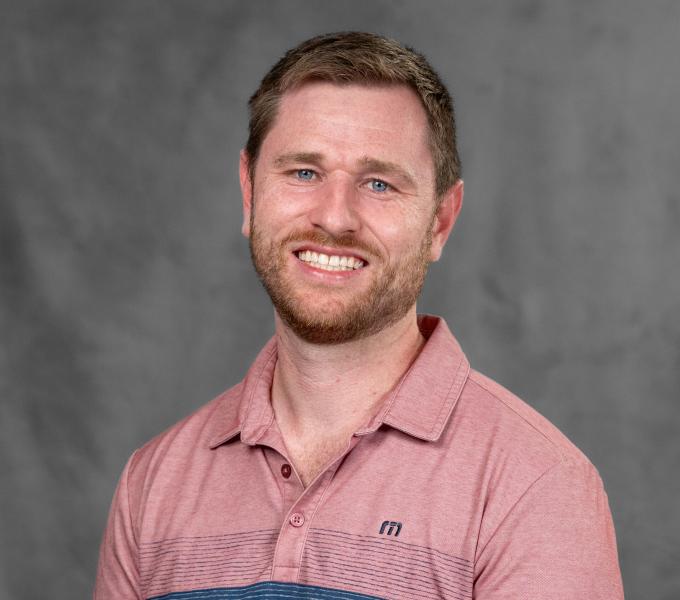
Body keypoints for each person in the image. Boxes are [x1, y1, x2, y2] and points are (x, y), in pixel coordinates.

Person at [94, 32, 624, 599]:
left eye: (379, 183)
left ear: (440, 221)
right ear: (249, 194)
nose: (335, 217)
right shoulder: (153, 482)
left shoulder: (535, 485)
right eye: (303, 173)